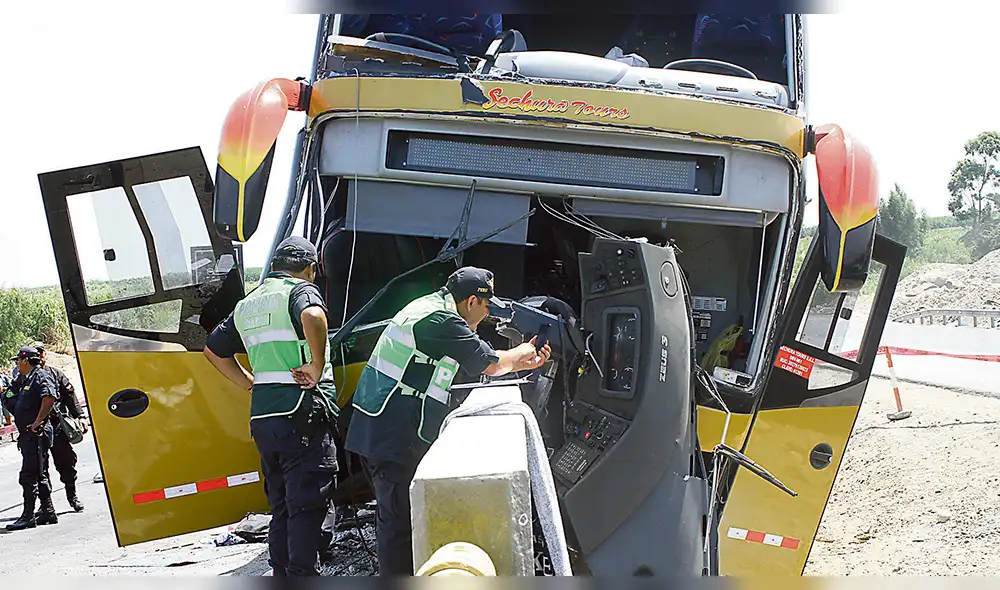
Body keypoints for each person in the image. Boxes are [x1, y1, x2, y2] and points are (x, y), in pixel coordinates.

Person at [344, 266, 552, 575]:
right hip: (391, 436)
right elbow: (490, 364)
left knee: (398, 520)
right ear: (471, 301)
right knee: (400, 526)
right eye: (485, 306)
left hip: (382, 429)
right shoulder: (441, 320)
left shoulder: (429, 307)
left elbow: (469, 365)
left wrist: (522, 363)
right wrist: (525, 350)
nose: (486, 315)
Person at [203, 236, 340, 577]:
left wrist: (250, 383)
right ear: (311, 269)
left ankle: (281, 572)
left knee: (281, 504)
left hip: (264, 417)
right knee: (307, 503)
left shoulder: (248, 303)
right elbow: (313, 314)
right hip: (300, 411)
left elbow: (213, 351)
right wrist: (317, 365)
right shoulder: (299, 292)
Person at [4, 346, 60, 531]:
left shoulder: (41, 376)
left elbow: (49, 397)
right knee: (39, 473)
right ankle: (48, 511)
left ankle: (28, 516)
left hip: (37, 433)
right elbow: (9, 395)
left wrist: (38, 421)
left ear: (25, 360)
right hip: (29, 435)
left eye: (18, 361)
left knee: (29, 475)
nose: (17, 364)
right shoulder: (24, 379)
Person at [30, 342, 86, 513]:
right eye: (35, 354)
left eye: (40, 353)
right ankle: (46, 505)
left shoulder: (55, 374)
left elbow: (70, 396)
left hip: (57, 426)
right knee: (40, 467)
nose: (39, 357)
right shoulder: (25, 377)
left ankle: (72, 495)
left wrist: (80, 417)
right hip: (38, 428)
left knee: (66, 461)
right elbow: (12, 398)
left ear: (45, 355)